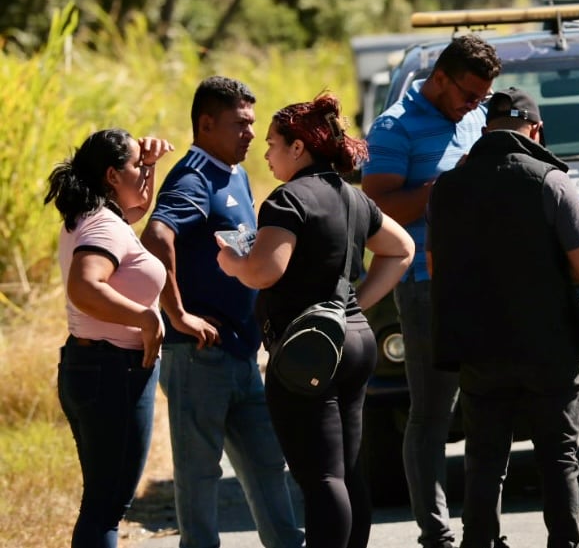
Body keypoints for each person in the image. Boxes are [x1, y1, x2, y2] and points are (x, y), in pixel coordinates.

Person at [217, 93, 415, 548]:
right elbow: (401, 249)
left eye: (272, 144)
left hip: (307, 350)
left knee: (322, 478)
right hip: (354, 340)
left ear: (299, 147)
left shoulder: (287, 200)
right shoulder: (352, 196)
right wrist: (355, 304)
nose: (266, 153)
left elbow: (266, 270)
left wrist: (232, 263)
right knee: (346, 471)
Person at [427, 87, 579, 548]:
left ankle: (479, 543)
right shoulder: (550, 180)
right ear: (536, 130)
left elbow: (433, 267)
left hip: (479, 349)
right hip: (549, 347)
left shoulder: (447, 188)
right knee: (558, 458)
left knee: (484, 461)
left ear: (485, 131)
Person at [140, 76, 303, 548]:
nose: (251, 133)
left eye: (252, 123)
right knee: (199, 478)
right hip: (199, 357)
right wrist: (178, 315)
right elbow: (157, 237)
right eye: (240, 124)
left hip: (240, 352)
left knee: (267, 464)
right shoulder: (193, 176)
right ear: (206, 124)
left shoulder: (233, 172)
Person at [362, 33, 502, 548]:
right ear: (439, 78)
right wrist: (445, 189)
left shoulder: (470, 115)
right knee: (431, 413)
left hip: (480, 284)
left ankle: (483, 528)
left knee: (489, 405)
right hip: (425, 286)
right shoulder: (394, 127)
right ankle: (435, 532)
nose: (474, 105)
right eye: (468, 94)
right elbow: (377, 210)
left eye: (482, 98)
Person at [46, 128, 174, 547]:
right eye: (136, 166)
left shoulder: (95, 215)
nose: (143, 173)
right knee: (107, 508)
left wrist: (149, 166)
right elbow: (84, 287)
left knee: (101, 503)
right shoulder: (105, 227)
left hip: (92, 368)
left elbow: (137, 208)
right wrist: (146, 319)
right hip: (111, 374)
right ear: (111, 176)